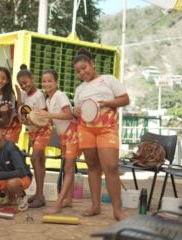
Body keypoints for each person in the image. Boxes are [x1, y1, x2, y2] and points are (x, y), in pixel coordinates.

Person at [72, 48, 129, 221]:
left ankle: (117, 210)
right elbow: (76, 111)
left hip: (107, 128)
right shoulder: (79, 89)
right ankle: (95, 206)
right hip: (86, 129)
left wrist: (108, 103)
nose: (83, 72)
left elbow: (125, 99)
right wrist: (76, 110)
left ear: (92, 64)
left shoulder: (108, 80)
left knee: (111, 166)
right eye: (78, 71)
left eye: (84, 67)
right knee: (92, 166)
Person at [37, 69, 80, 214]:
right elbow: (53, 118)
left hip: (72, 133)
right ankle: (68, 200)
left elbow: (68, 115)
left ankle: (58, 204)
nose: (46, 83)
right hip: (63, 135)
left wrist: (48, 114)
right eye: (44, 81)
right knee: (69, 168)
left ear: (56, 82)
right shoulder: (48, 99)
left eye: (50, 81)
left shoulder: (60, 96)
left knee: (68, 169)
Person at [15, 64, 52, 208]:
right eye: (21, 84)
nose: (24, 86)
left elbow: (43, 119)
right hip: (32, 132)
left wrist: (29, 120)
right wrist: (19, 95)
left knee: (35, 158)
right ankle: (38, 194)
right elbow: (21, 110)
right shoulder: (24, 94)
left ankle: (40, 195)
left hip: (43, 130)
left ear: (33, 79)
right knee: (39, 162)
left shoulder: (39, 95)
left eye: (26, 82)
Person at [0, 66, 21, 143]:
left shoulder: (10, 96)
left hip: (12, 125)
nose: (0, 81)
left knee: (7, 148)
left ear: (7, 81)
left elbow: (7, 122)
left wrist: (4, 112)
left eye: (3, 78)